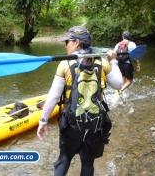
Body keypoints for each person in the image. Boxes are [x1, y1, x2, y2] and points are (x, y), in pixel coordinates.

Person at [37, 26, 123, 176]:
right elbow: (119, 85)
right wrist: (114, 61)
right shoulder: (103, 63)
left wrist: (43, 121)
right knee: (88, 163)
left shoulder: (65, 64)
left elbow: (53, 97)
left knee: (64, 158)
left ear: (76, 42)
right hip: (95, 123)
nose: (65, 46)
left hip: (71, 122)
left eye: (67, 42)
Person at [113, 31, 141, 98]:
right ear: (129, 37)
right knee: (129, 81)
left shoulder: (118, 44)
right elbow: (137, 55)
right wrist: (138, 65)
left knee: (123, 78)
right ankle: (120, 91)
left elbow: (113, 53)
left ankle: (122, 94)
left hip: (119, 64)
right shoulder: (132, 44)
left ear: (123, 37)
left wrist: (114, 63)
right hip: (127, 65)